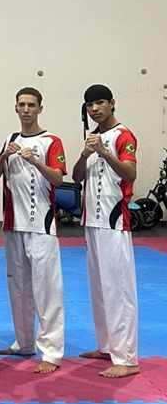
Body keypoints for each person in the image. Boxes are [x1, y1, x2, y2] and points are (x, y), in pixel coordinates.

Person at [72, 84, 139, 378]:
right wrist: (86, 153)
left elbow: (130, 173)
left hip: (114, 222)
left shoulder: (123, 135)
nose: (95, 109)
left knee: (118, 289)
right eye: (90, 105)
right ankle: (108, 346)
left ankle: (127, 358)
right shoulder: (93, 137)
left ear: (112, 103)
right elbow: (76, 177)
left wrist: (103, 151)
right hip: (92, 221)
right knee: (99, 289)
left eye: (100, 103)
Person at [0, 87, 67, 374]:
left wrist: (35, 161)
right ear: (15, 108)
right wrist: (4, 155)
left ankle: (51, 351)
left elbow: (58, 179)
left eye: (31, 105)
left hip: (42, 225)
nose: (26, 109)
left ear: (40, 108)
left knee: (47, 290)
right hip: (13, 224)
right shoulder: (10, 140)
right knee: (18, 289)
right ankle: (24, 342)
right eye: (22, 105)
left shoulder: (51, 141)